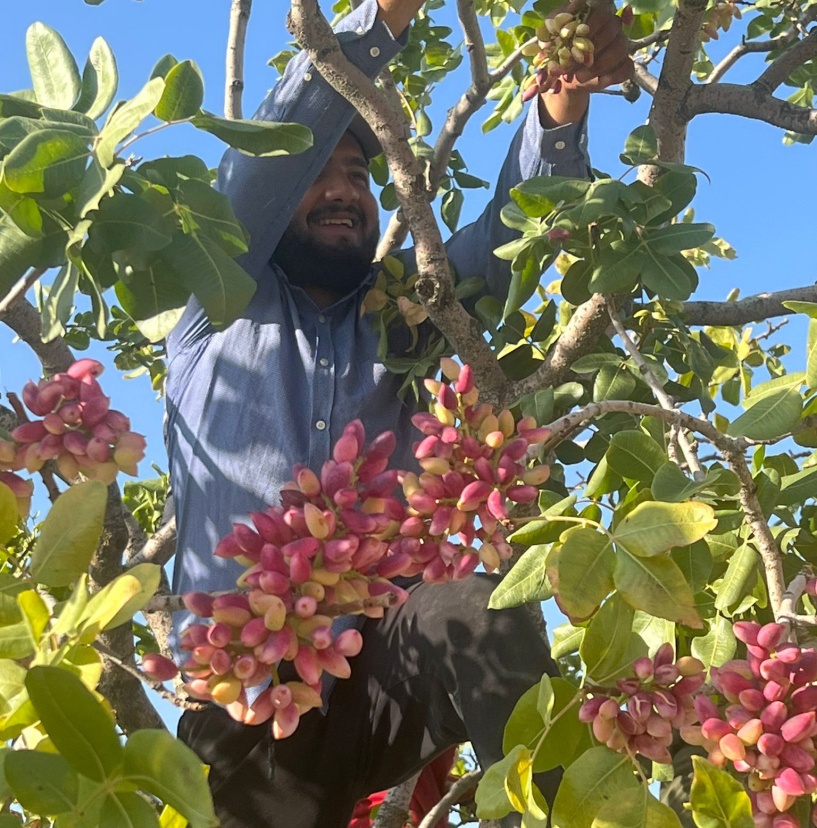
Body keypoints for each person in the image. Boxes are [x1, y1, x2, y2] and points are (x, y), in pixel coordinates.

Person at [165, 1, 631, 826]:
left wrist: (561, 104)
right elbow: (269, 157)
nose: (343, 190)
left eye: (360, 175)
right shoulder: (218, 296)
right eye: (322, 174)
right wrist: (384, 16)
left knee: (472, 603)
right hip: (241, 695)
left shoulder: (404, 316)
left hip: (380, 669)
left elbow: (513, 231)